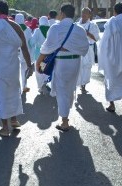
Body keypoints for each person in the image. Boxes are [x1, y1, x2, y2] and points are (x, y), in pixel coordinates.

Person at [0, 0, 33, 137]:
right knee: (13, 93)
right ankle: (15, 120)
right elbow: (24, 48)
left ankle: (5, 128)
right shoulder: (16, 26)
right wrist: (29, 65)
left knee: (0, 96)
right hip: (13, 67)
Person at [36, 3, 89, 131]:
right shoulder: (80, 29)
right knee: (69, 89)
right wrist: (70, 48)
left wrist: (39, 62)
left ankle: (65, 122)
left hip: (62, 63)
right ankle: (65, 115)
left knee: (62, 91)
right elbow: (85, 48)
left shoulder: (55, 28)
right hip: (75, 63)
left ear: (62, 13)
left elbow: (46, 48)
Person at [76, 7, 99, 94]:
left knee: (86, 68)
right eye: (83, 13)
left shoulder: (93, 25)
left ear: (89, 15)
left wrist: (88, 33)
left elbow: (96, 38)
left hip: (88, 50)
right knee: (78, 67)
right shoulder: (76, 25)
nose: (84, 15)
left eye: (86, 13)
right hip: (77, 50)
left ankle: (83, 85)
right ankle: (77, 84)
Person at [29, 16, 49, 94]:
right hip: (48, 54)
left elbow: (32, 42)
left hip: (39, 54)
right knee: (45, 69)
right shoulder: (51, 29)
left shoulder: (38, 30)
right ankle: (45, 82)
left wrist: (30, 42)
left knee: (39, 70)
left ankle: (41, 86)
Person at [14, 13, 33, 93]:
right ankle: (24, 86)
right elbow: (31, 42)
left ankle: (17, 88)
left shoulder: (13, 28)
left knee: (15, 71)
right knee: (24, 70)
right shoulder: (28, 29)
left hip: (15, 53)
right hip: (25, 52)